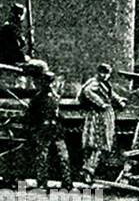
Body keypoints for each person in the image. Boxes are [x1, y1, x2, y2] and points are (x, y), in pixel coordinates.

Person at [25, 61, 71, 191]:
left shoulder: (38, 97)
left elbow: (31, 114)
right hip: (56, 128)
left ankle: (42, 182)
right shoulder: (55, 96)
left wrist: (33, 128)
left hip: (44, 130)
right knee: (62, 156)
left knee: (43, 156)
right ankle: (67, 182)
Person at [77, 63, 126, 184]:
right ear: (98, 72)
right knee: (96, 144)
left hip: (104, 116)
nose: (105, 76)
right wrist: (101, 103)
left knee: (100, 145)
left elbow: (111, 94)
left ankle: (90, 171)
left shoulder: (103, 83)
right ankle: (88, 171)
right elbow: (87, 92)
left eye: (107, 73)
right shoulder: (94, 83)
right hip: (97, 115)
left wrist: (119, 100)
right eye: (102, 73)